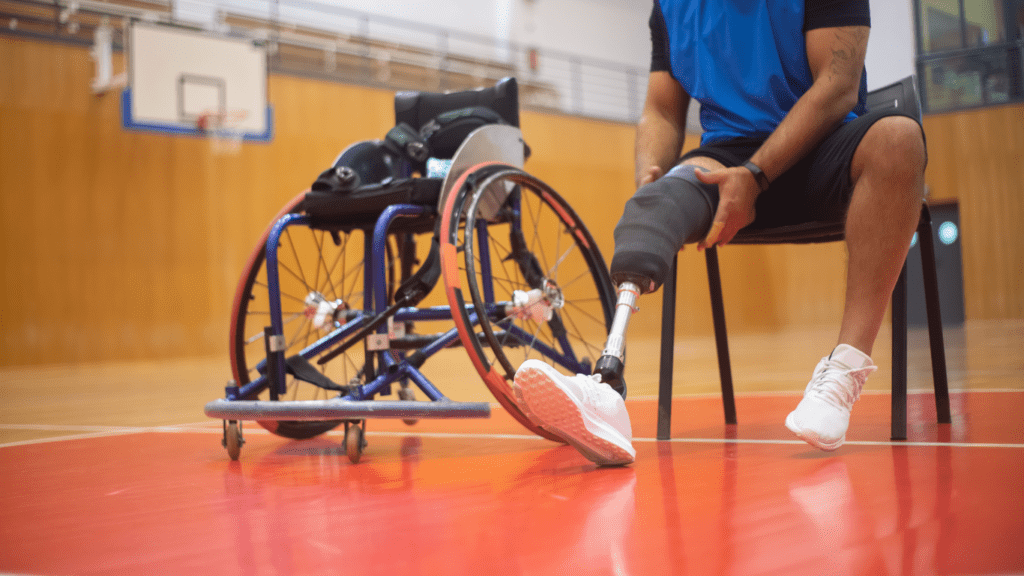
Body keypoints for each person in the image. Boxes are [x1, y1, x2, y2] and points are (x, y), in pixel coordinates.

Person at [510, 0, 928, 466]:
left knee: (899, 139)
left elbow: (837, 88)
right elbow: (662, 110)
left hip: (823, 146)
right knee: (654, 206)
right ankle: (607, 389)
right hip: (726, 159)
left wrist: (757, 174)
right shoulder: (670, 6)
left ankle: (844, 372)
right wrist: (653, 181)